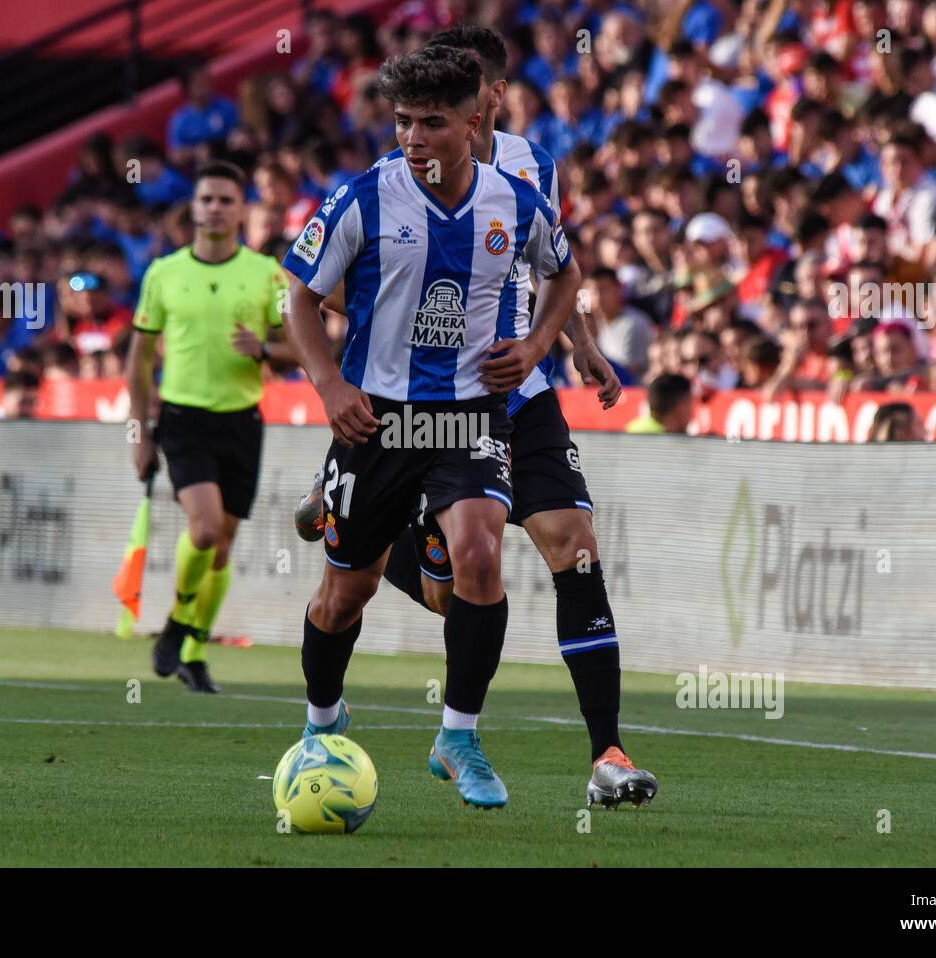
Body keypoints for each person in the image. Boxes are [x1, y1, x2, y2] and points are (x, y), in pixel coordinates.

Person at [296, 26, 657, 809]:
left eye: (433, 119)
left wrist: (549, 347)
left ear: (482, 110)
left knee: (502, 556)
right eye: (405, 121)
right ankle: (323, 714)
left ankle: (480, 736)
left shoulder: (524, 180)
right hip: (384, 418)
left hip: (484, 407)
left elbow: (558, 268)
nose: (415, 136)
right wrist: (334, 380)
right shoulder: (369, 192)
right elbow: (306, 291)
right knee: (351, 594)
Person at [127, 161, 295, 693]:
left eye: (226, 199)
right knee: (202, 529)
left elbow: (302, 347)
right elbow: (137, 361)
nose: (215, 208)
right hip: (183, 418)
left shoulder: (267, 274)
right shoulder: (164, 273)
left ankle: (192, 651)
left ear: (242, 209)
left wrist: (266, 349)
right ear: (194, 208)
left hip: (242, 420)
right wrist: (139, 432)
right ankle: (178, 623)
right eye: (207, 200)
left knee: (220, 547)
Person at [625, 372, 694, 433]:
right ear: (680, 408)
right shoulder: (650, 436)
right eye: (689, 403)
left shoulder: (633, 429)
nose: (692, 411)